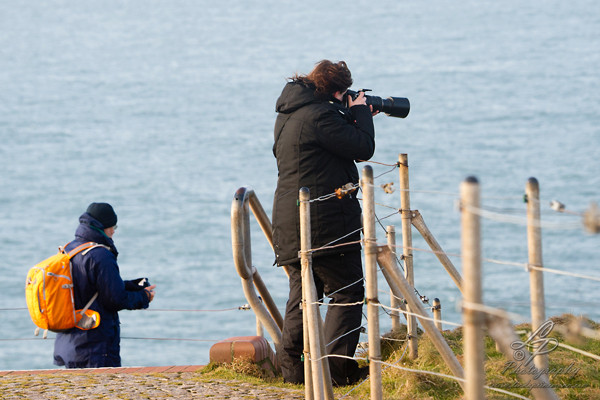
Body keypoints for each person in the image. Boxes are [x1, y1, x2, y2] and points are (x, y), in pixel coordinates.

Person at [272, 60, 377, 385]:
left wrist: (347, 114)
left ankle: (293, 373)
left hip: (291, 221)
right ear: (336, 91)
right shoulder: (321, 115)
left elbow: (320, 150)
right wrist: (359, 113)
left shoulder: (290, 113)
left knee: (304, 293)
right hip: (325, 223)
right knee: (347, 292)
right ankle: (335, 375)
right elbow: (363, 148)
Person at [54, 202, 156, 368]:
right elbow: (115, 299)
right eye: (113, 226)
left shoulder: (70, 249)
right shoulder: (100, 255)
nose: (114, 231)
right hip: (95, 344)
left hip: (71, 340)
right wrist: (144, 297)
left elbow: (92, 287)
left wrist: (131, 285)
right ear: (103, 226)